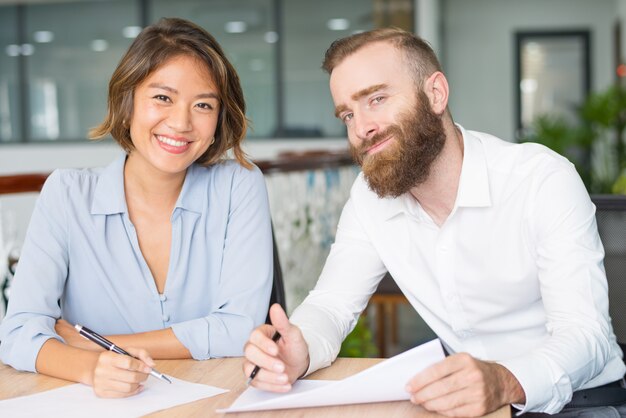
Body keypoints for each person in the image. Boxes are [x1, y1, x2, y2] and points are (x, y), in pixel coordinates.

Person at [242, 28, 626, 417]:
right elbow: (332, 305)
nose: (361, 129)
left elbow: (585, 335)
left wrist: (504, 381)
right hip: (469, 404)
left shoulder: (541, 179)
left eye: (376, 99)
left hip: (578, 401)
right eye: (347, 114)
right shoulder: (369, 197)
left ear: (436, 94)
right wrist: (298, 347)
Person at [0, 18, 273, 398]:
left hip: (216, 400)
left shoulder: (238, 185)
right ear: (127, 103)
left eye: (203, 105)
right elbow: (17, 333)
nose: (181, 122)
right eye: (162, 97)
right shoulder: (66, 194)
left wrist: (95, 343)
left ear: (218, 119)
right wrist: (92, 368)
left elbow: (240, 327)